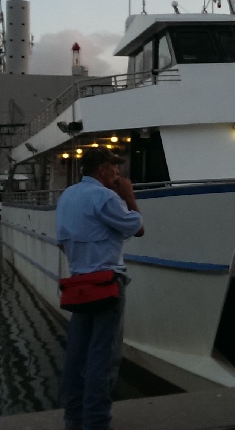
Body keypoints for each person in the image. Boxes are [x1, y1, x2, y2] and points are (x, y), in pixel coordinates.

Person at [56, 146, 145, 430]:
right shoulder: (105, 196)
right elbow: (137, 227)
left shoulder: (67, 195)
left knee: (77, 355)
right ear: (103, 169)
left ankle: (73, 419)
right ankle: (96, 423)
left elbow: (61, 239)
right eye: (115, 167)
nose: (119, 172)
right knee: (103, 359)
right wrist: (128, 196)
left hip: (78, 283)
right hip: (106, 283)